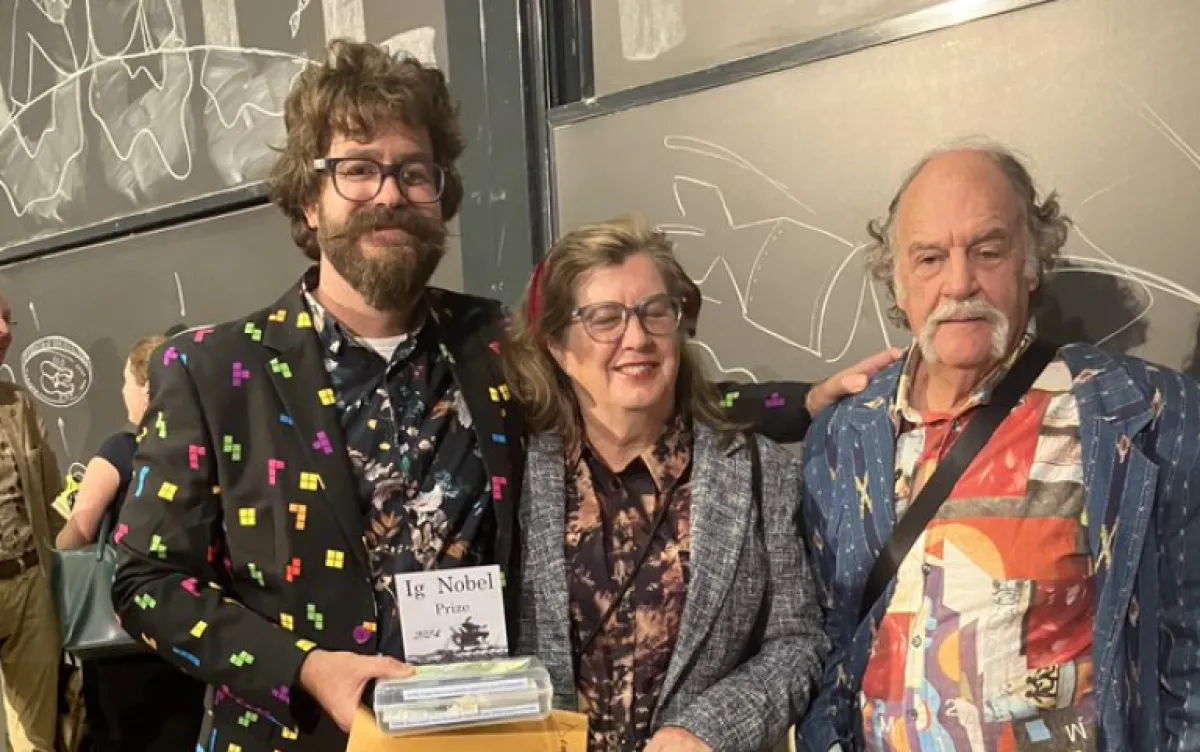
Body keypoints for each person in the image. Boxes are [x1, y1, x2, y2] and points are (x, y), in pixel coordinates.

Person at [111, 39, 893, 752]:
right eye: (358, 167)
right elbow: (143, 582)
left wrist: (804, 401)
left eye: (414, 171)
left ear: (440, 197)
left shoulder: (488, 343)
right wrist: (308, 668)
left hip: (486, 738)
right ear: (308, 201)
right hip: (299, 737)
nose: (389, 192)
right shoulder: (214, 370)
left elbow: (631, 387)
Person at [797, 141, 1200, 752]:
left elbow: (1189, 652)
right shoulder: (844, 435)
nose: (959, 283)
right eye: (929, 258)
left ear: (1032, 263)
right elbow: (827, 637)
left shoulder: (1143, 418)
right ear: (898, 283)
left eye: (987, 251)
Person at [507, 217, 827, 752]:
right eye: (604, 319)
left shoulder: (758, 473)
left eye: (655, 312)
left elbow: (799, 642)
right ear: (558, 349)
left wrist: (706, 730)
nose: (637, 339)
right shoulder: (514, 477)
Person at [55, 336, 206, 751]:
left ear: (146, 389)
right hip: (186, 627)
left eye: (125, 381)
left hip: (120, 630)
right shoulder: (202, 451)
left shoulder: (121, 449)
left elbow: (80, 529)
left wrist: (51, 576)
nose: (122, 393)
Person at [0, 293, 65, 752]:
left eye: (7, 319)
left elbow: (54, 494)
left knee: (37, 735)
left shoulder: (18, 404)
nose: (5, 331)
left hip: (28, 579)